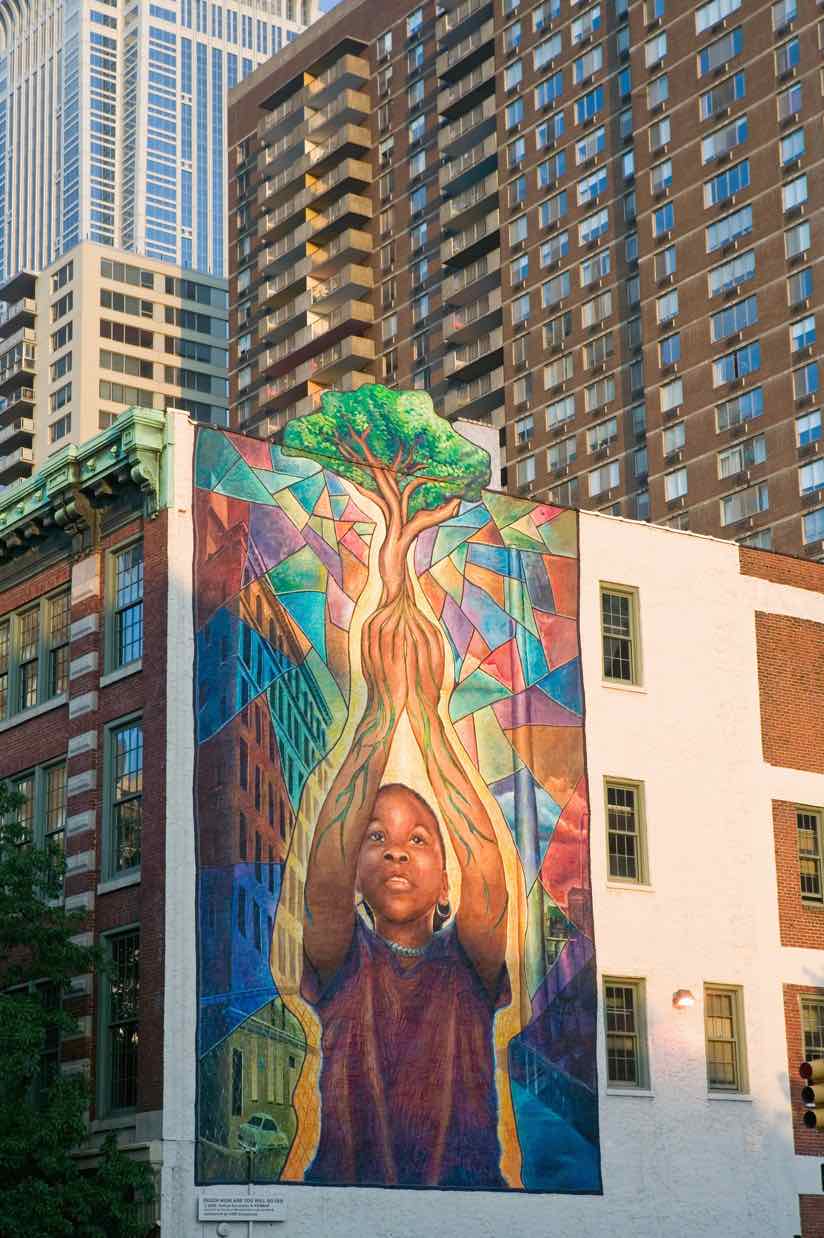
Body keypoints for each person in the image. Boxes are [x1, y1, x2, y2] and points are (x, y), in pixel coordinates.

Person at [301, 596, 511, 1188]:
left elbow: (487, 872)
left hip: (472, 1209)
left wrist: (427, 717)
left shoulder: (468, 965)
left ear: (446, 880)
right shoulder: (343, 960)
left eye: (418, 839)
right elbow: (323, 882)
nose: (396, 851)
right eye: (376, 836)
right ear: (356, 869)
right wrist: (378, 715)